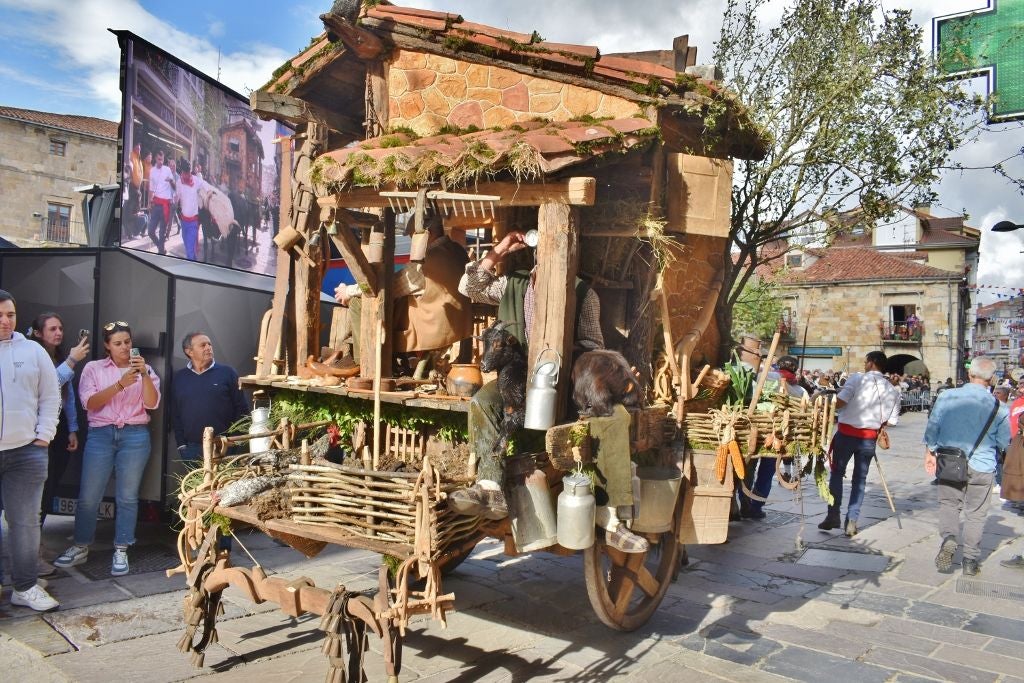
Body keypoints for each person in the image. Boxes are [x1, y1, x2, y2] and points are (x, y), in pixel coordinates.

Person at [450, 231, 648, 554]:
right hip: (517, 381)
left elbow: (593, 348)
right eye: (545, 252)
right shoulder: (513, 285)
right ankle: (490, 487)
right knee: (483, 402)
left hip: (565, 381)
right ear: (536, 254)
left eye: (560, 254)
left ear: (570, 258)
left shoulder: (584, 294)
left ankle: (611, 519)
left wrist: (564, 357)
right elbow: (468, 288)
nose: (550, 259)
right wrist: (498, 251)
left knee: (612, 418)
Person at [54, 321, 161, 577]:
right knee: (90, 494)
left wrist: (144, 374)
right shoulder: (93, 368)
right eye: (118, 343)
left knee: (127, 496)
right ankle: (81, 545)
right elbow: (89, 403)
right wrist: (121, 384)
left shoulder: (145, 369)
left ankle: (122, 548)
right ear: (107, 346)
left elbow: (152, 403)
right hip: (101, 434)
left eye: (127, 342)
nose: (124, 347)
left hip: (135, 435)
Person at [335, 213, 473, 369]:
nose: (411, 241)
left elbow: (388, 287)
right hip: (459, 324)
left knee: (358, 302)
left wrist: (349, 291)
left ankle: (363, 363)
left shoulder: (427, 260)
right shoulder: (457, 250)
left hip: (434, 327)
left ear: (428, 234)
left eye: (413, 236)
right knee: (398, 301)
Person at [0, 289, 61, 611]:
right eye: (0, 315)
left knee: (24, 523)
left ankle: (24, 587)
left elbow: (51, 396)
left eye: (10, 314)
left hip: (26, 452)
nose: (5, 321)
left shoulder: (33, 351)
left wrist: (44, 436)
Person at [924, 356, 1009, 576]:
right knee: (977, 513)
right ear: (991, 379)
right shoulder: (1000, 407)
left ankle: (950, 537)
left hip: (951, 460)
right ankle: (970, 561)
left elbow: (933, 425)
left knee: (949, 504)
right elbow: (1003, 441)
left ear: (970, 374)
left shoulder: (947, 396)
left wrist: (930, 451)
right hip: (983, 465)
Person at [818, 350, 900, 537]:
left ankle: (833, 515)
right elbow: (892, 421)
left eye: (865, 362)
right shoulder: (892, 390)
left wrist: (827, 401)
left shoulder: (857, 379)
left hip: (846, 434)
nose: (864, 365)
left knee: (837, 474)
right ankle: (852, 521)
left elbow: (840, 403)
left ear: (871, 363)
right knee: (860, 480)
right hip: (868, 439)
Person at [28, 313, 89, 531]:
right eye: (52, 329)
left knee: (52, 484)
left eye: (60, 328)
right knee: (41, 486)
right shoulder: (32, 356)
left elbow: (67, 396)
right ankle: (32, 543)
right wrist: (72, 361)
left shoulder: (58, 356)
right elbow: (46, 387)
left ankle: (37, 541)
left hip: (58, 427)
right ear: (37, 333)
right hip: (37, 429)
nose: (59, 333)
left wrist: (72, 428)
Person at [741, 355, 808, 520]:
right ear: (795, 369)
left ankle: (744, 503)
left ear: (778, 366)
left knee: (748, 468)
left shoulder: (769, 376)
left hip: (757, 430)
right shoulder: (800, 390)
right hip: (778, 436)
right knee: (767, 471)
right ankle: (756, 507)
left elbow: (752, 374)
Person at [171, 332, 247, 463]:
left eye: (209, 344)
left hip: (224, 445)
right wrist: (181, 444)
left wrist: (234, 441)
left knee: (225, 483)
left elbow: (242, 408)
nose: (208, 347)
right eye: (202, 345)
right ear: (189, 351)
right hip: (192, 449)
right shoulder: (179, 378)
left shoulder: (227, 373)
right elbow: (175, 413)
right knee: (198, 484)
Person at [174, 159, 206, 261]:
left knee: (189, 251)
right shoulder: (179, 182)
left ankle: (190, 271)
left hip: (193, 222)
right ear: (182, 172)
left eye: (188, 173)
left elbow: (206, 188)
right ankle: (194, 262)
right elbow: (177, 196)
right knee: (188, 247)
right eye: (185, 173)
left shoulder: (196, 180)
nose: (187, 175)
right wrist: (173, 201)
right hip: (183, 221)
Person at [147, 150, 175, 255]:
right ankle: (161, 248)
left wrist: (171, 181)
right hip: (156, 204)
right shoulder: (152, 171)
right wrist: (149, 203)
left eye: (162, 159)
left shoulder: (167, 170)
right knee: (150, 231)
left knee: (162, 232)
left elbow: (175, 187)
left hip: (165, 205)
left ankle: (160, 252)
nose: (161, 162)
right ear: (155, 159)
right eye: (159, 159)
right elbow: (151, 189)